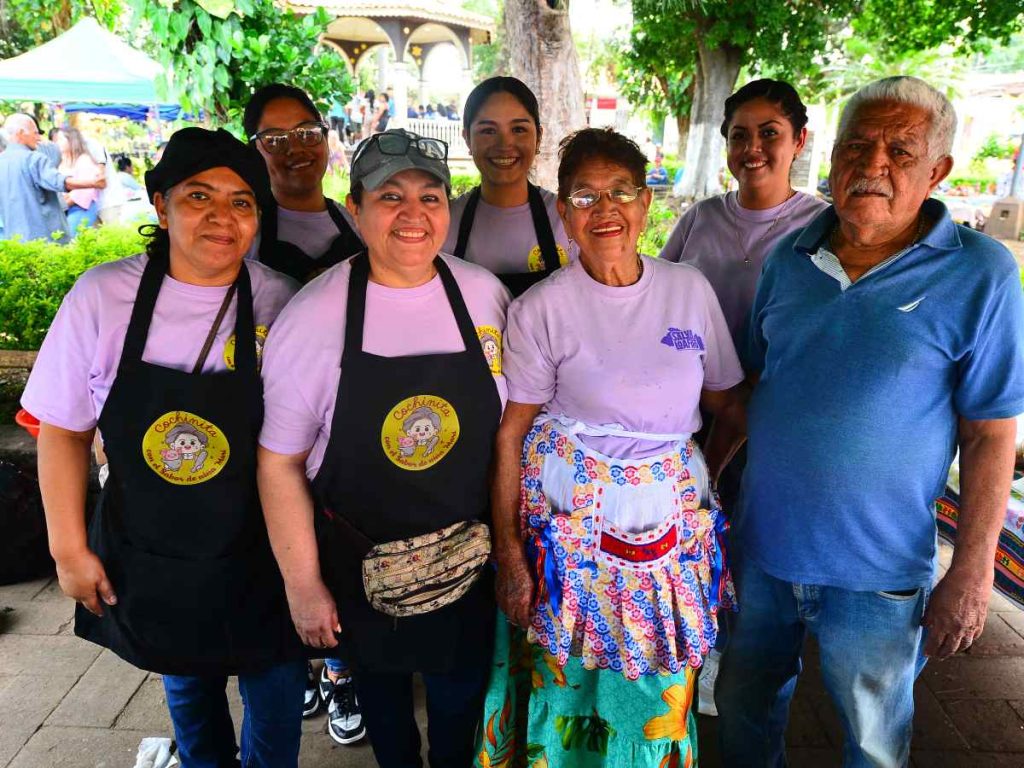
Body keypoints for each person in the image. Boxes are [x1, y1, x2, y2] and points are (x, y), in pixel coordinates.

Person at [717, 76, 1024, 767]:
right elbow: (753, 387)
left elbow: (990, 432)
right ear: (830, 157)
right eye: (857, 145)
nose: (873, 164)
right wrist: (702, 492)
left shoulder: (981, 274)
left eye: (901, 150)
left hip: (880, 574)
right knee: (744, 706)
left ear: (938, 169)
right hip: (764, 552)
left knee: (874, 740)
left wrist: (973, 573)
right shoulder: (788, 259)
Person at [22, 127, 307, 767]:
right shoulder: (102, 297)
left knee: (278, 684)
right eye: (198, 196)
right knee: (186, 677)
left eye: (241, 202)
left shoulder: (279, 301)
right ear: (160, 204)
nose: (220, 216)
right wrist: (68, 549)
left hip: (260, 546)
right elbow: (62, 430)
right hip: (153, 546)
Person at [478, 127, 747, 767]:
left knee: (657, 679)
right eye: (585, 195)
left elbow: (727, 404)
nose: (606, 210)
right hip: (568, 522)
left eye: (621, 192)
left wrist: (699, 488)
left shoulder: (688, 290)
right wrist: (512, 556)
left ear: (646, 202)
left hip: (667, 529)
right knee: (567, 671)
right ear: (563, 213)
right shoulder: (543, 308)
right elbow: (511, 433)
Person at [257, 128, 511, 768]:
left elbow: (514, 429)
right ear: (355, 207)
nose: (413, 214)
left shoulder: (482, 295)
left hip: (468, 562)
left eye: (430, 197)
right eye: (391, 196)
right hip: (361, 570)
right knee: (387, 715)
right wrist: (304, 586)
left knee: (460, 705)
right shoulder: (315, 316)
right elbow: (279, 462)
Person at [659, 80, 827, 713]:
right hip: (694, 418)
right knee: (697, 542)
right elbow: (660, 297)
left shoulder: (820, 226)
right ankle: (694, 668)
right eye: (739, 134)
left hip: (775, 425)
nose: (752, 148)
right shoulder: (700, 219)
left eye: (769, 133)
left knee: (755, 556)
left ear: (799, 141)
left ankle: (742, 680)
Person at [443, 76, 576, 297]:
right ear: (467, 138)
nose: (504, 145)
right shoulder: (445, 222)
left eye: (519, 130)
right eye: (488, 131)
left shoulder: (567, 219)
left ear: (539, 137)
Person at [245, 83, 364, 286]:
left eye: (307, 133)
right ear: (254, 152)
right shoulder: (246, 233)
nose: (295, 148)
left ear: (325, 137)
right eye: (275, 140)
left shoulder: (356, 222)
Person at [0, 113, 104, 243]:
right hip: (45, 238)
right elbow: (59, 181)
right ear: (21, 132)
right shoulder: (34, 158)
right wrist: (94, 183)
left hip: (15, 240)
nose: (38, 138)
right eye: (36, 133)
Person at [55, 127, 103, 235]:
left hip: (82, 207)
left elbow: (83, 192)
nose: (57, 143)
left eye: (61, 139)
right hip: (67, 207)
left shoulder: (84, 160)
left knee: (71, 238)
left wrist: (61, 204)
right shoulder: (62, 161)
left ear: (71, 140)